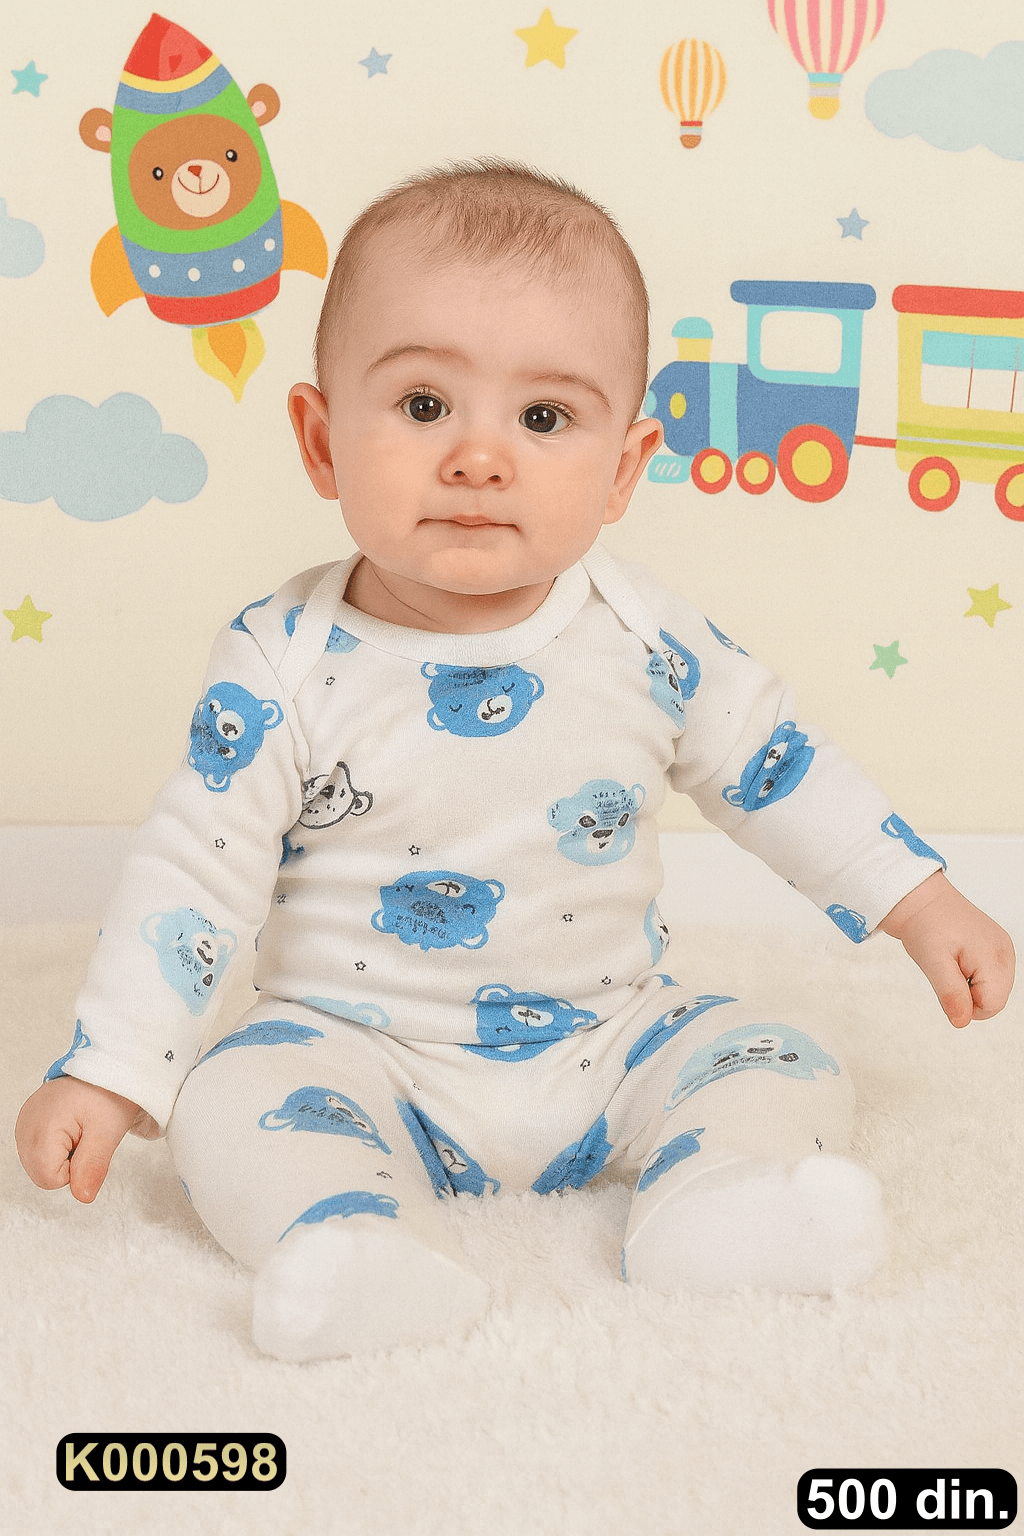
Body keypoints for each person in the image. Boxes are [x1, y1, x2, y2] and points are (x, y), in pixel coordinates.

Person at [16, 159, 1015, 1362]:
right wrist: (115, 1068)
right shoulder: (282, 658)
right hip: (356, 1052)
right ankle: (357, 1244)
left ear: (623, 469)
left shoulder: (646, 638)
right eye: (423, 405)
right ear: (322, 441)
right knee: (229, 1102)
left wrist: (917, 899)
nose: (478, 458)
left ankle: (721, 1206)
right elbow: (194, 875)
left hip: (612, 1037)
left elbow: (777, 769)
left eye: (543, 420)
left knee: (782, 1056)